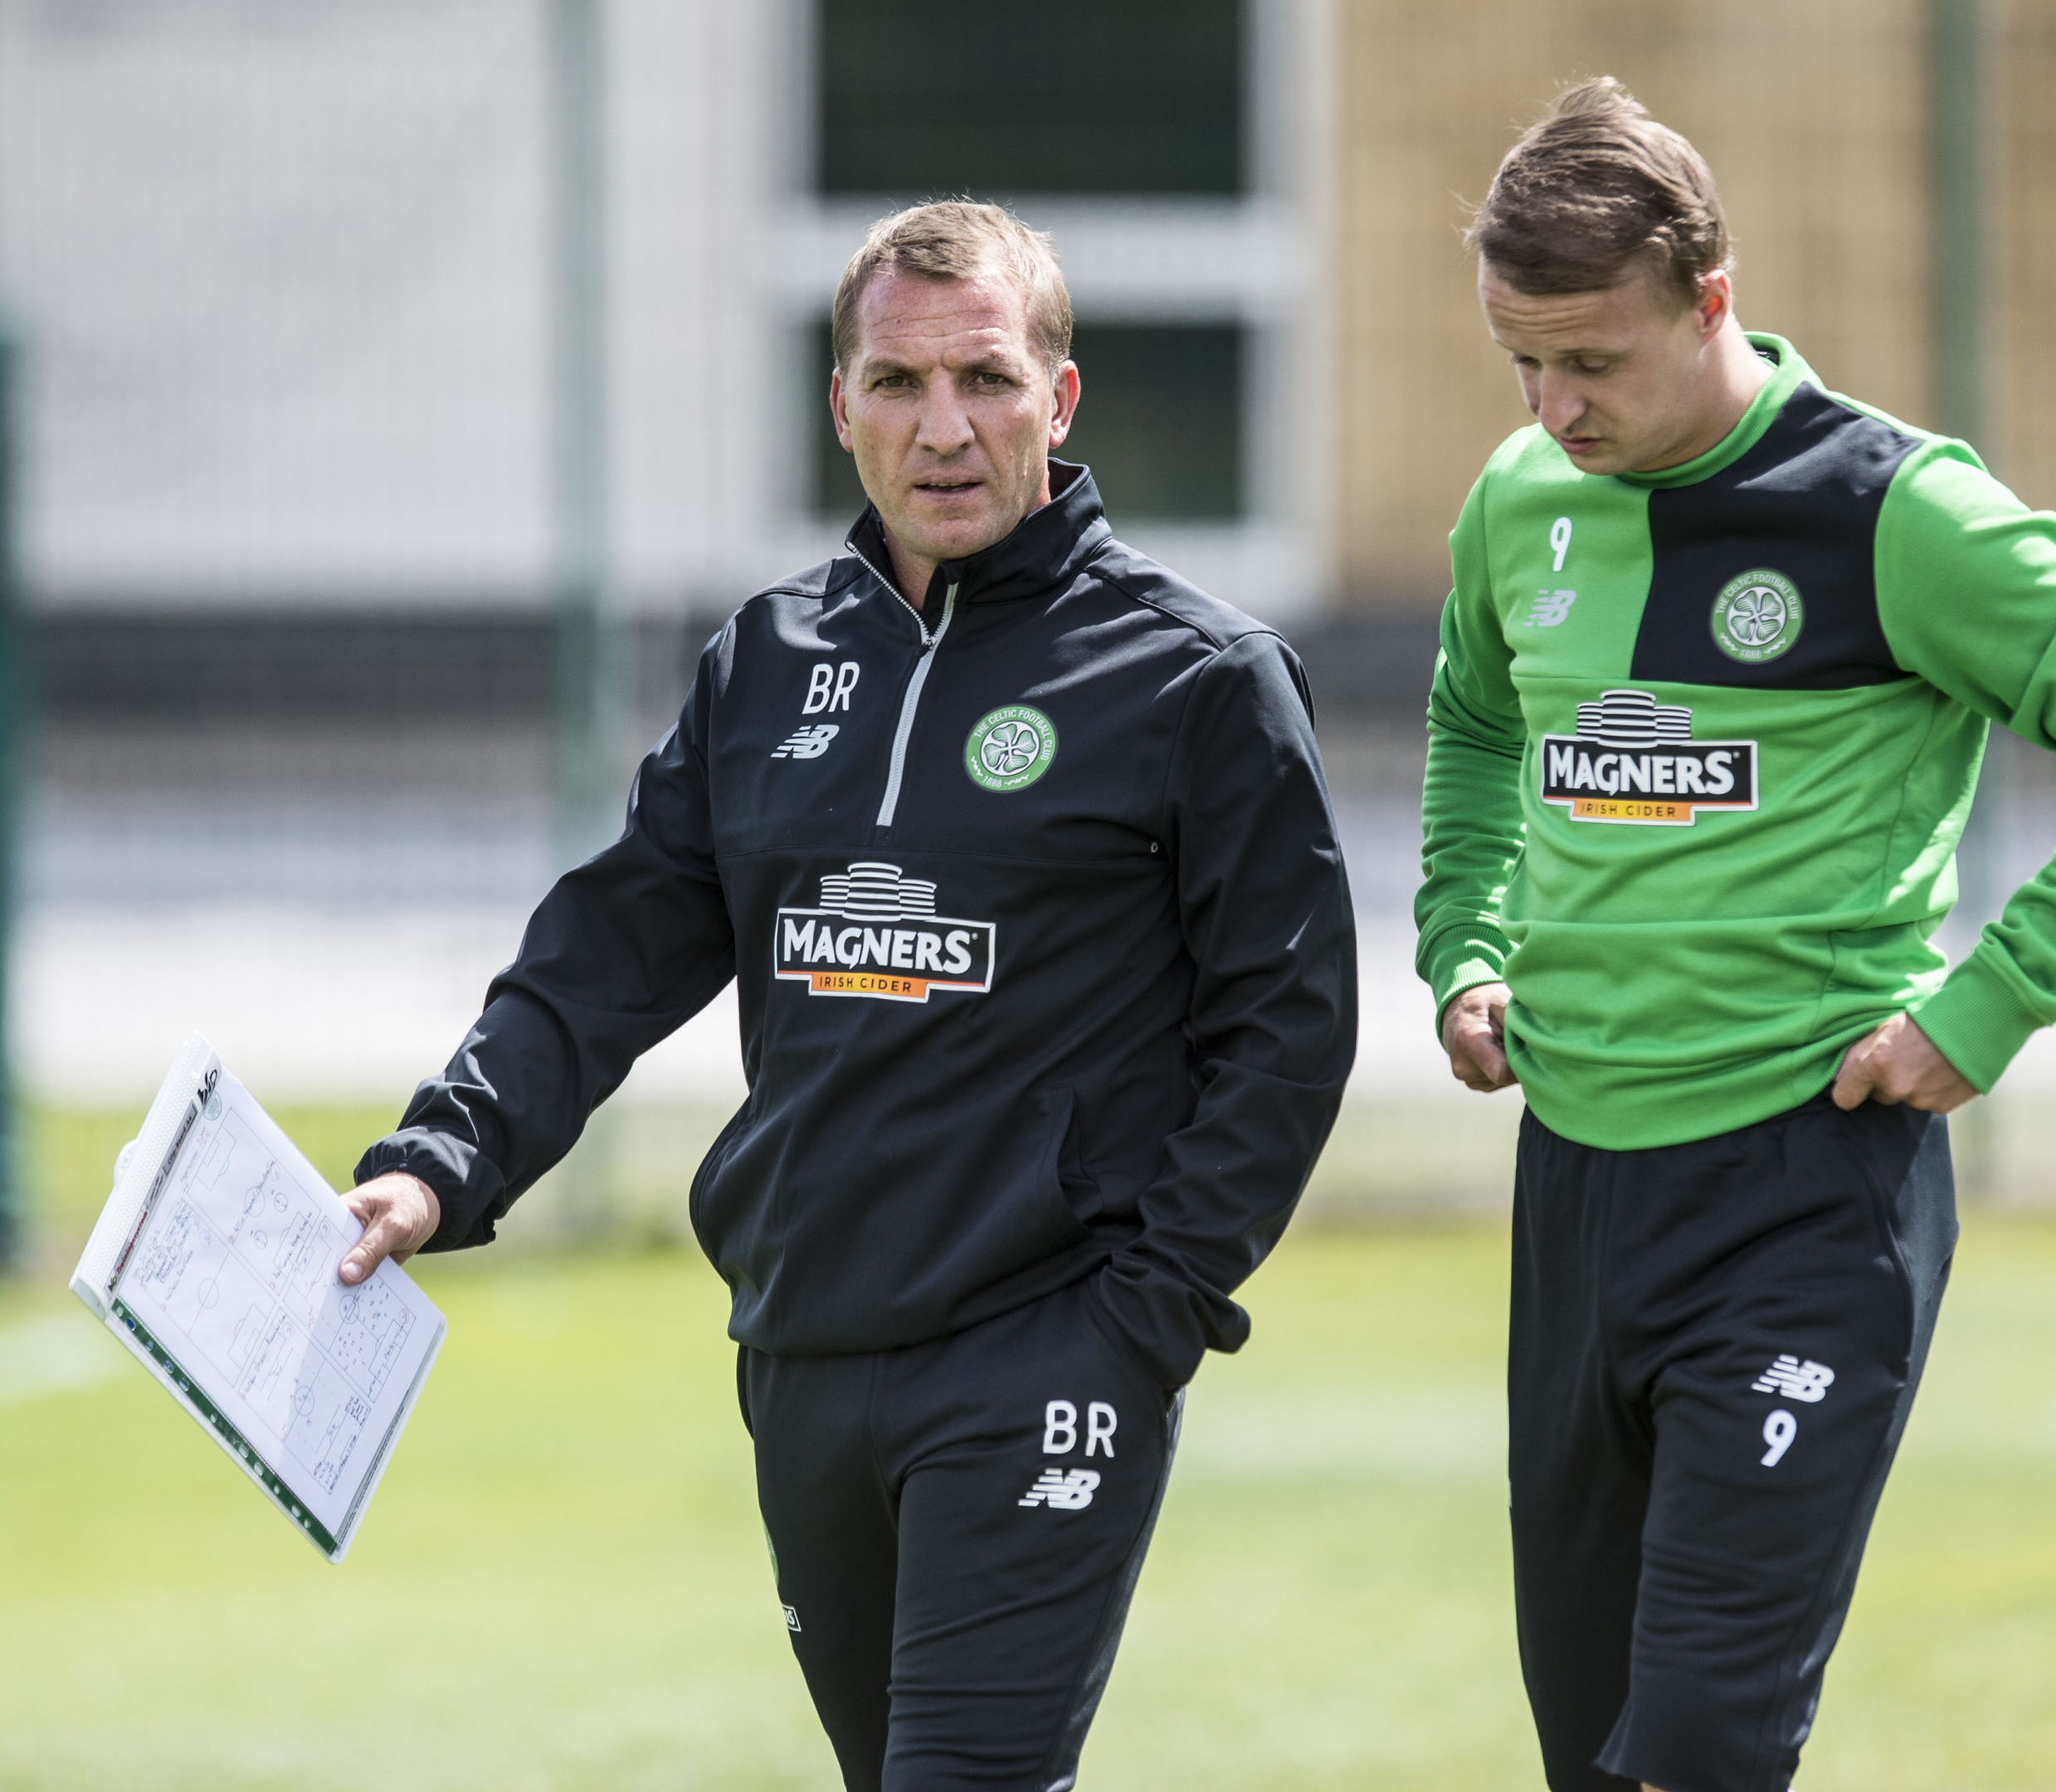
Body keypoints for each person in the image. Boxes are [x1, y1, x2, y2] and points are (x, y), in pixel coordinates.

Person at [338, 201, 1357, 1790]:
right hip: (805, 1349)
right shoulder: (765, 660)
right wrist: (437, 1161)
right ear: (841, 407)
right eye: (896, 383)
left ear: (1059, 400)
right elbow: (606, 953)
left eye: (986, 380)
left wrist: (1141, 1321)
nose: (942, 429)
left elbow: (1289, 1030)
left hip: (1046, 1351)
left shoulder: (1196, 679)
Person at [1415, 79, 2056, 1792]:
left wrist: (1991, 1005)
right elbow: (1474, 728)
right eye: (1524, 365)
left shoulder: (1899, 513)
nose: (1553, 407)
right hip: (1575, 1187)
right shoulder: (1517, 504)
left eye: (1593, 362)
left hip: (1808, 1185)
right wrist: (1465, 943)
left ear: (1709, 300)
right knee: (1592, 1753)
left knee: (1705, 1744)